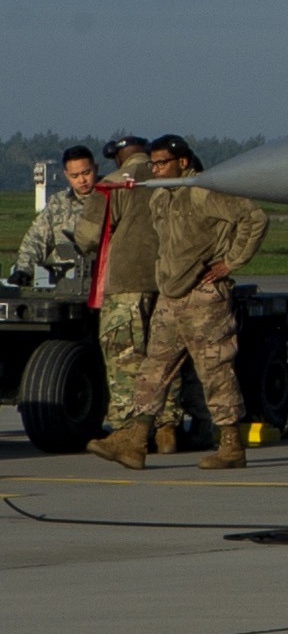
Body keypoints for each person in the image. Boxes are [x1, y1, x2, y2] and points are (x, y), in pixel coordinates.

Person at [103, 137, 266, 470]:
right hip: (171, 295)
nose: (157, 169)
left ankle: (231, 444)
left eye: (163, 163)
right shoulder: (161, 197)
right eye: (154, 163)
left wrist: (231, 262)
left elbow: (255, 218)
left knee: (214, 370)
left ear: (183, 162)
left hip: (203, 296)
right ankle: (135, 441)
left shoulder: (205, 192)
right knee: (154, 369)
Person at [85, 135, 159, 461]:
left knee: (125, 358)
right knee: (161, 361)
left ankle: (127, 434)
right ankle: (167, 429)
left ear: (119, 157)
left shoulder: (113, 184)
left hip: (126, 282)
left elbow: (88, 237)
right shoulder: (168, 180)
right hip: (168, 282)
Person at [14, 144, 100, 286]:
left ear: (96, 168)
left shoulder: (112, 198)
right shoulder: (58, 204)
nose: (82, 180)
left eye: (86, 173)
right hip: (65, 283)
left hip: (104, 283)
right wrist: (23, 270)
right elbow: (37, 239)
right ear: (66, 174)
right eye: (75, 176)